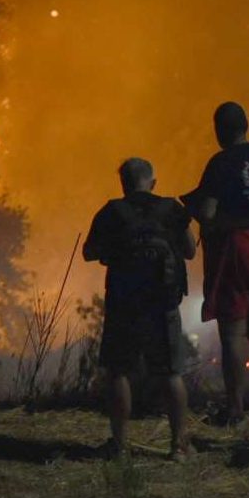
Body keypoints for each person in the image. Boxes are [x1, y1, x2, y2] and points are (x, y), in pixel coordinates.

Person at [83, 157, 196, 461]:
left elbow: (89, 252)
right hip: (163, 303)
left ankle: (120, 446)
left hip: (125, 303)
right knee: (171, 373)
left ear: (123, 183)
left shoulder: (112, 212)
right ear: (153, 182)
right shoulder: (172, 209)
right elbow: (190, 250)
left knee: (119, 372)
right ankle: (178, 446)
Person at [186, 101, 249, 423]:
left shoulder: (221, 163)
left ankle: (235, 409)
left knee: (233, 334)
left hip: (237, 249)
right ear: (247, 124)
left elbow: (207, 213)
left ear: (219, 131)